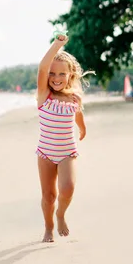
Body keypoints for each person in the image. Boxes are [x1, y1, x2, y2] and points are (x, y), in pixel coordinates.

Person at [36, 33, 91, 243]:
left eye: (61, 74)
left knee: (67, 189)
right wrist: (57, 46)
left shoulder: (74, 97)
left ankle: (61, 215)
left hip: (68, 152)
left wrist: (82, 129)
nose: (56, 78)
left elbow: (77, 113)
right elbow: (42, 68)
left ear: (70, 76)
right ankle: (48, 227)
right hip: (45, 154)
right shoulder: (43, 95)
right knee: (48, 197)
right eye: (52, 73)